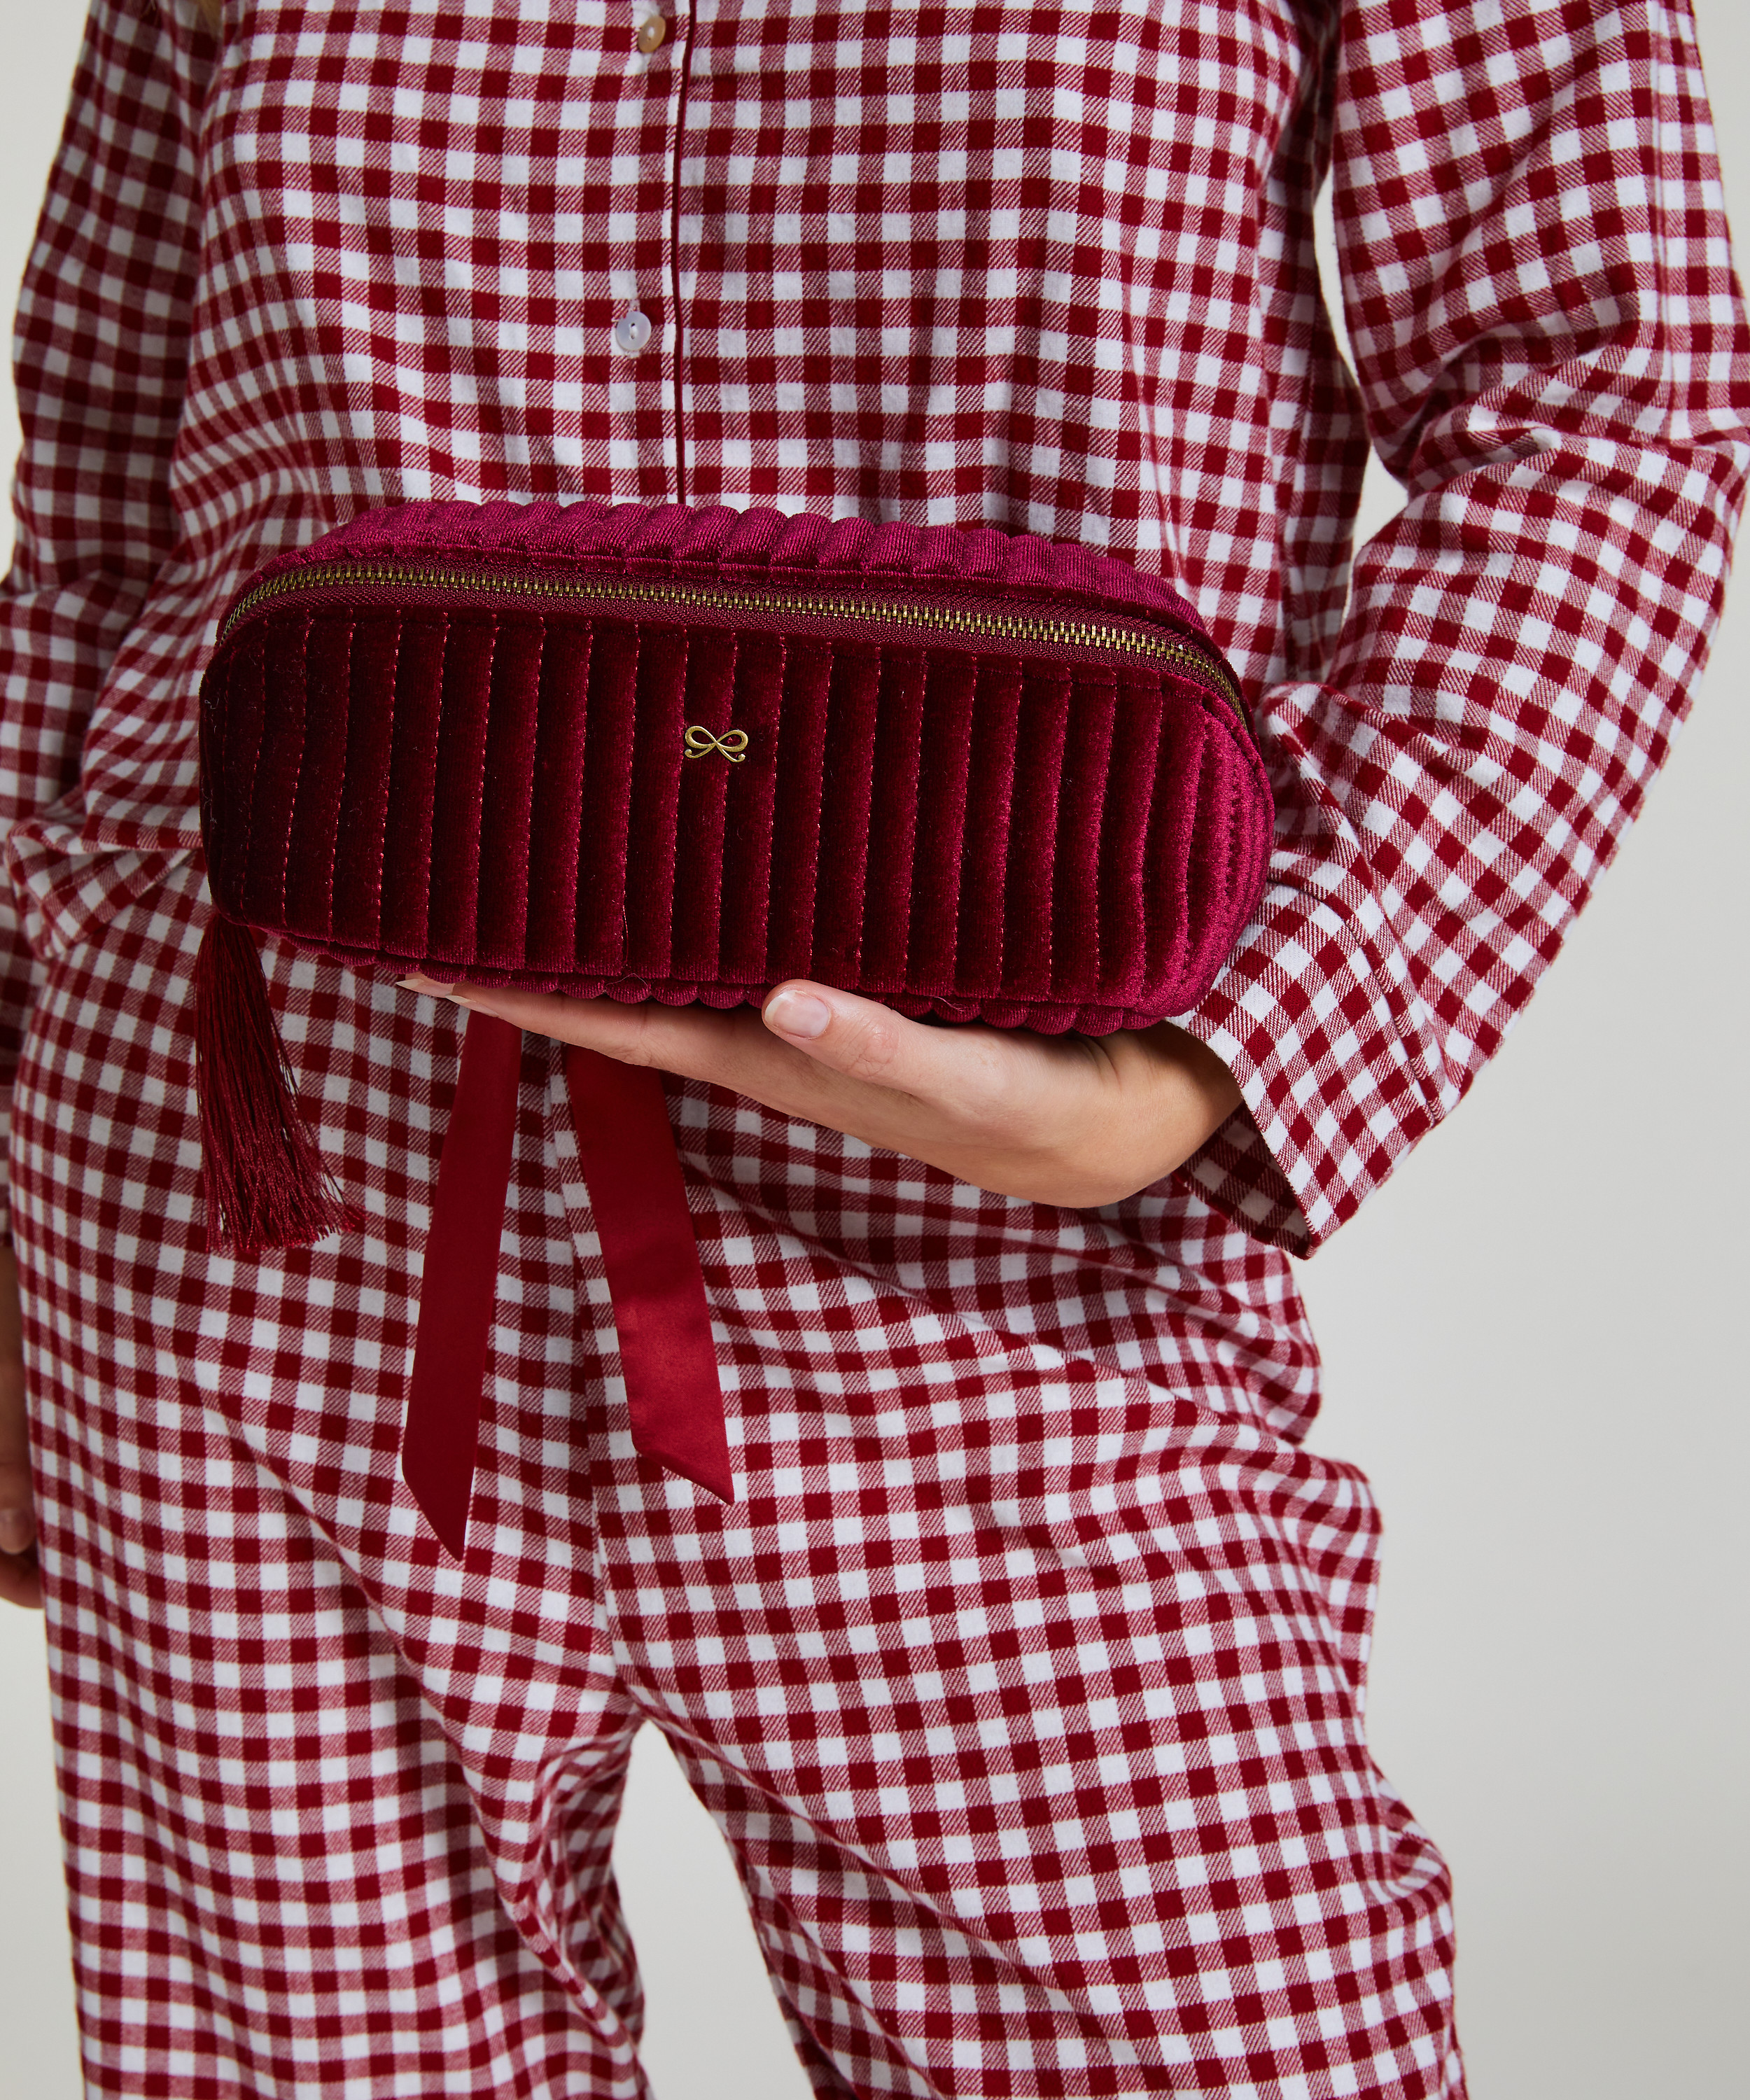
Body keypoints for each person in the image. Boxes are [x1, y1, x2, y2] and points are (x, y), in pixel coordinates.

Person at [1, 0, 1744, 2092]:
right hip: (245, 1197)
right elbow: (99, 509)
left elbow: (1602, 389)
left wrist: (1227, 1060)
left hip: (1001, 1238)